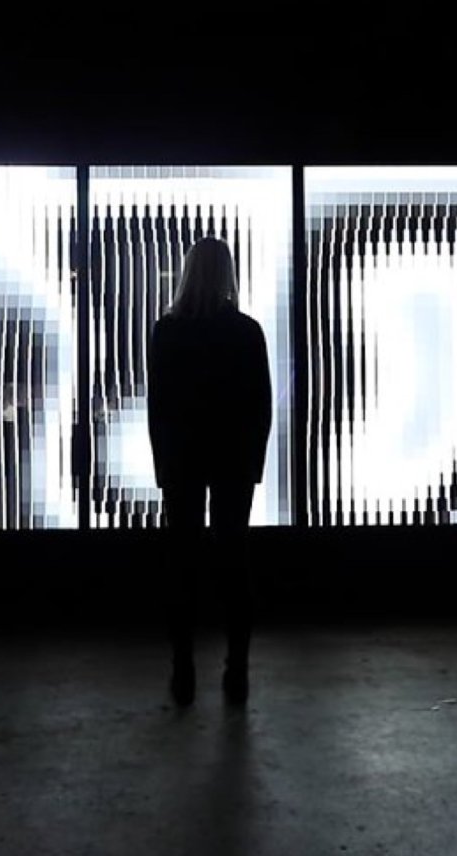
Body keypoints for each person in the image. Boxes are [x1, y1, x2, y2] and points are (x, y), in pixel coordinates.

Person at [147, 236, 272, 707]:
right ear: (228, 275)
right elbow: (261, 407)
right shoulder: (246, 331)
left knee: (182, 565)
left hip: (182, 460)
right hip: (234, 461)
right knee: (234, 564)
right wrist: (252, 466)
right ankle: (236, 672)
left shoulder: (168, 330)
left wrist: (164, 467)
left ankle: (183, 672)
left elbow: (158, 408)